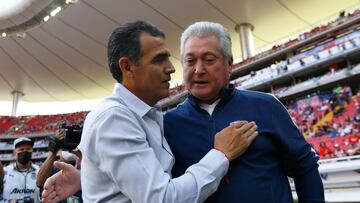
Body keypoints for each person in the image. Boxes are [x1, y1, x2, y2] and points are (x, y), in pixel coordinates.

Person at [41, 21, 258, 203]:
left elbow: (136, 179)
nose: (171, 68)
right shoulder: (113, 118)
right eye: (158, 59)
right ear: (127, 67)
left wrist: (87, 179)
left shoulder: (148, 114)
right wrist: (221, 154)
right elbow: (161, 198)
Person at [163, 21, 324, 203]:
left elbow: (305, 167)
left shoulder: (266, 106)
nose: (198, 70)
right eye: (190, 61)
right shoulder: (168, 124)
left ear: (229, 63)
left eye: (208, 60)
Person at [36, 130, 82, 203]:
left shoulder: (84, 169)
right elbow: (39, 182)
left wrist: (75, 148)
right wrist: (54, 151)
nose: (68, 151)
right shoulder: (55, 169)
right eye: (64, 149)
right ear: (59, 153)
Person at [1, 137, 40, 202]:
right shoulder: (5, 172)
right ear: (14, 152)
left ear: (32, 151)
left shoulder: (39, 171)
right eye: (21, 149)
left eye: (28, 149)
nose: (25, 151)